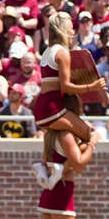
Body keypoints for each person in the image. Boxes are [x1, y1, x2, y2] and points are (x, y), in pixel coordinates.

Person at [34, 13, 103, 142]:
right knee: (91, 136)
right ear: (63, 31)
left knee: (70, 142)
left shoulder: (47, 51)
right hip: (52, 109)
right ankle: (71, 162)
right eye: (71, 28)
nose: (73, 32)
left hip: (44, 107)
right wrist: (92, 86)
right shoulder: (62, 53)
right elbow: (66, 87)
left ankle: (55, 161)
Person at [38, 94, 95, 219]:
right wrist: (92, 144)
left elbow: (47, 161)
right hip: (62, 193)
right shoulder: (66, 135)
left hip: (48, 193)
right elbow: (78, 164)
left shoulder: (49, 134)